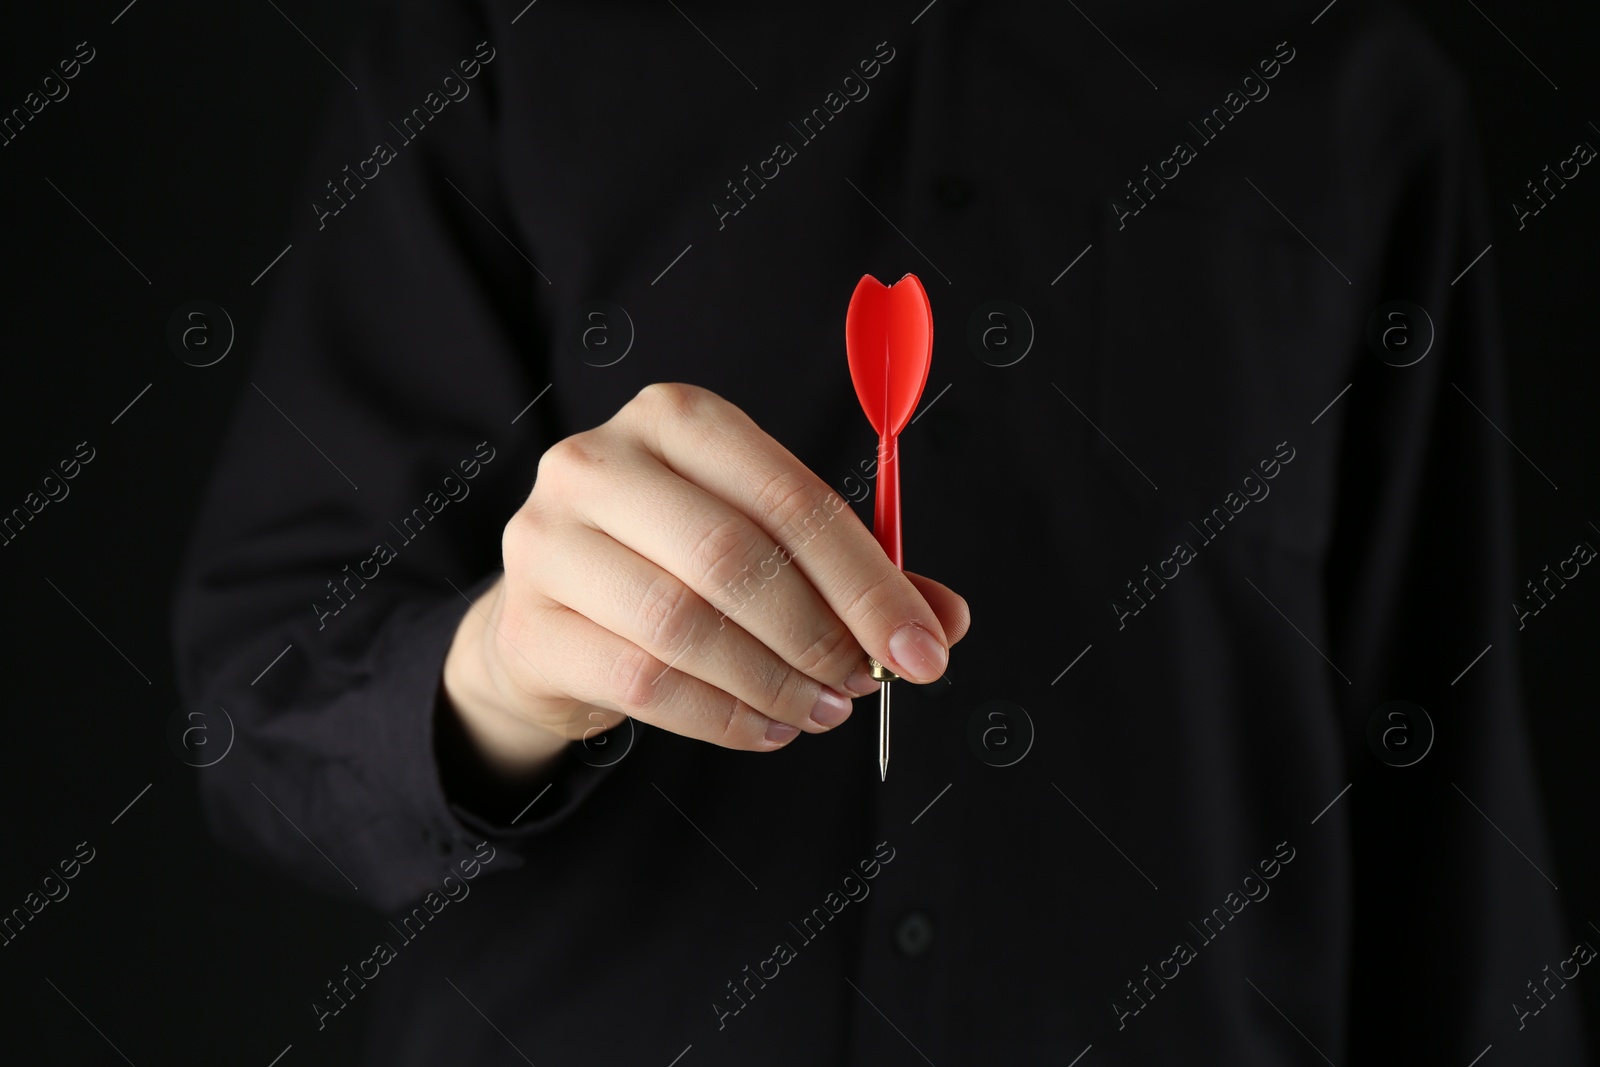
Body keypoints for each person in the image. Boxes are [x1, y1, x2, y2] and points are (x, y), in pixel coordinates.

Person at [173, 0, 1588, 1062]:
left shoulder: (1352, 89)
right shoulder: (502, 30)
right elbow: (266, 699)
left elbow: (1438, 768)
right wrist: (495, 676)